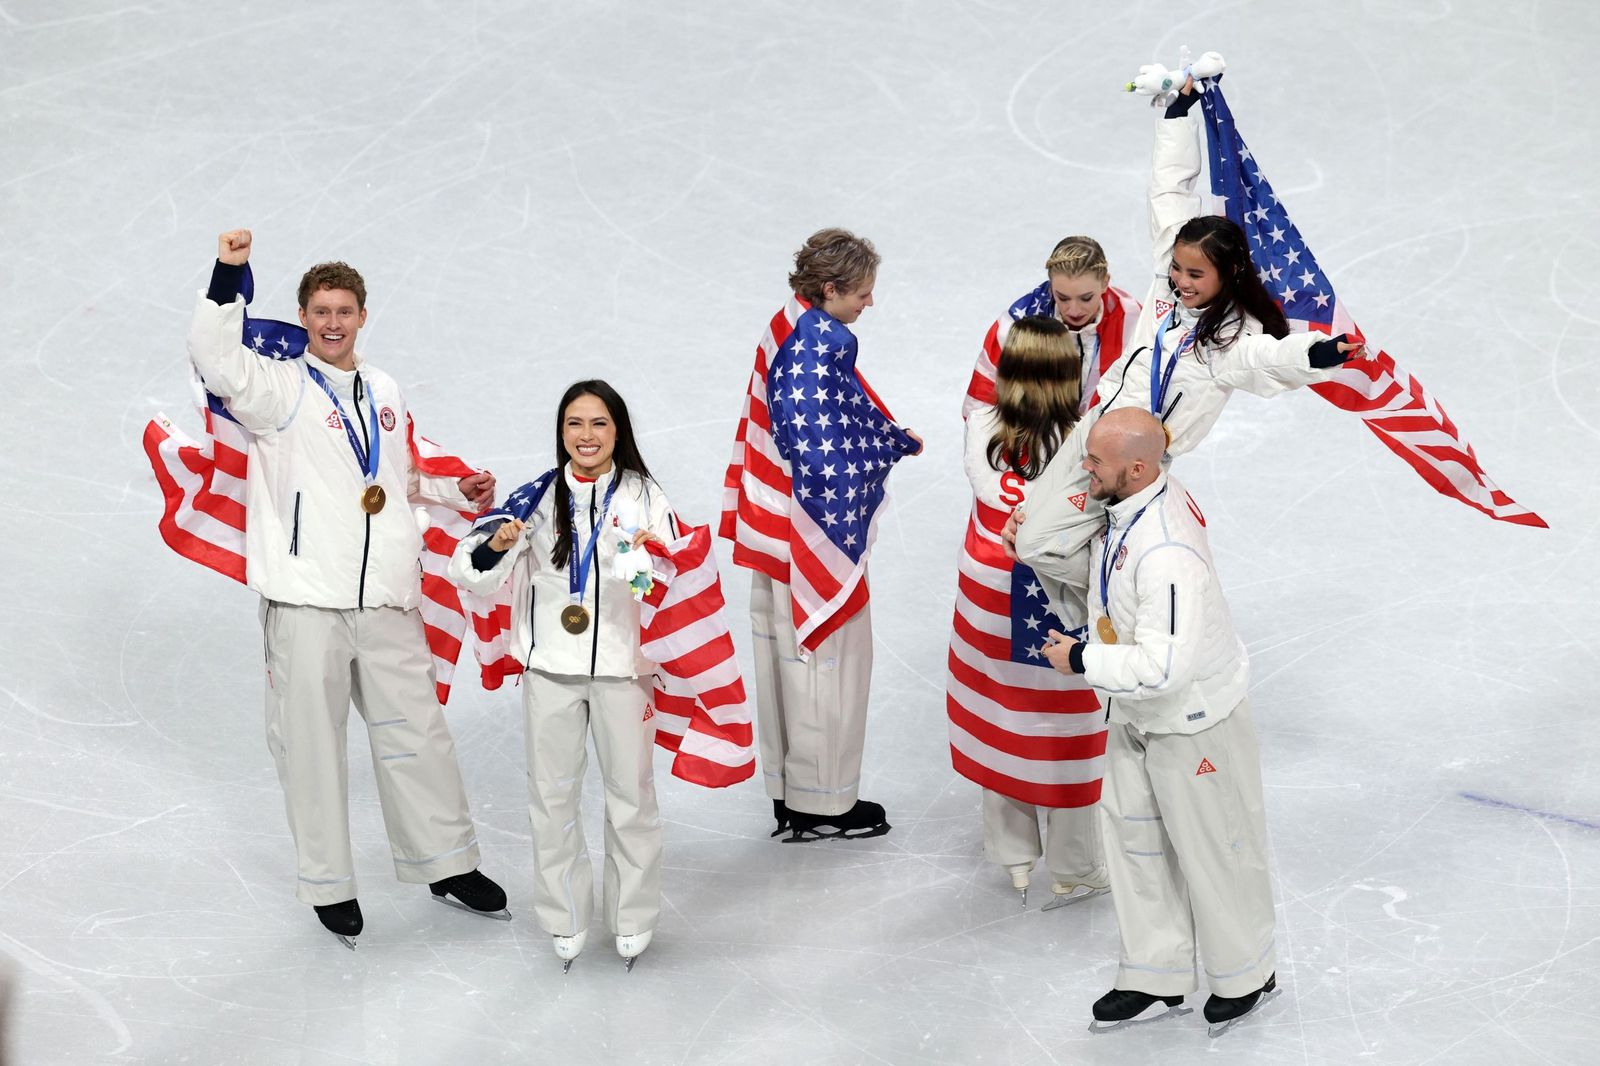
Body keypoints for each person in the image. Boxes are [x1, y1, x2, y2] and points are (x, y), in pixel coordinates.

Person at [188, 229, 507, 949]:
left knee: (418, 738)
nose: (332, 323)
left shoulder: (385, 391)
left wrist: (455, 489)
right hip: (307, 603)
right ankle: (330, 884)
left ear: (363, 315)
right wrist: (228, 271)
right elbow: (213, 355)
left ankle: (447, 865)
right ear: (304, 318)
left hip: (387, 599)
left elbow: (392, 476)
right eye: (320, 311)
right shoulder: (277, 391)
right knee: (310, 747)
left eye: (345, 310)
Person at [1006, 80, 1364, 623]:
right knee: (1028, 531)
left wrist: (1314, 355)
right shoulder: (1166, 286)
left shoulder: (1231, 339)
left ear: (1227, 275)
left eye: (1195, 274)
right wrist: (1177, 118)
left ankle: (1112, 612)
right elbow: (1169, 191)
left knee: (1037, 544)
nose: (1180, 279)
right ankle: (1098, 621)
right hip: (1094, 427)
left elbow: (1266, 360)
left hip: (1134, 460)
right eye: (1177, 267)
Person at [1041, 408, 1276, 1036]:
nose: (1084, 467)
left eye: (1095, 459)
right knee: (1135, 842)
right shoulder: (1131, 505)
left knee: (1216, 848)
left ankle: (1248, 971)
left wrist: (1081, 658)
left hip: (1189, 719)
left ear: (1137, 468)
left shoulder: (1166, 553)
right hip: (1137, 713)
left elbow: (1163, 667)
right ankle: (1154, 973)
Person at [447, 380, 677, 972]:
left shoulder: (646, 497)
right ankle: (565, 915)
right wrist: (498, 545)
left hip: (625, 673)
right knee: (551, 798)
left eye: (598, 423)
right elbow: (469, 572)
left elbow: (662, 587)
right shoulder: (534, 498)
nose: (587, 436)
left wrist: (633, 555)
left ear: (617, 431)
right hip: (550, 669)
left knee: (631, 795)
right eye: (574, 424)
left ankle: (632, 915)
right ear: (561, 433)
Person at [720, 228, 923, 841]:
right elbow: (820, 453)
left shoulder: (787, 320)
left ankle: (790, 791)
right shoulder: (817, 344)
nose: (868, 304)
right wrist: (885, 446)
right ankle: (824, 803)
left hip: (770, 522)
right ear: (830, 289)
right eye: (861, 292)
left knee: (784, 660)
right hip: (807, 532)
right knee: (827, 663)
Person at [948, 316, 1109, 909]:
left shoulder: (980, 425)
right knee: (1067, 727)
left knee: (1003, 715)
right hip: (1057, 596)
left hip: (988, 594)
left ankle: (1014, 858)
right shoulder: (1086, 439)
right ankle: (1075, 866)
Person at [962, 235, 1141, 420]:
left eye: (1086, 298)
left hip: (1101, 441)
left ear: (1105, 282)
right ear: (1050, 284)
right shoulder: (1017, 326)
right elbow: (979, 407)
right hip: (1035, 439)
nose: (1074, 310)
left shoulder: (1134, 322)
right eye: (1062, 298)